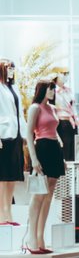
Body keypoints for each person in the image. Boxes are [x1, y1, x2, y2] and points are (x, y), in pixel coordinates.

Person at [23, 79, 66, 254]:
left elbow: (55, 130)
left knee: (49, 194)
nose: (52, 92)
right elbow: (28, 133)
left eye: (53, 89)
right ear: (42, 90)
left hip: (54, 148)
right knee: (39, 194)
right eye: (50, 89)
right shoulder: (35, 108)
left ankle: (41, 237)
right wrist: (33, 159)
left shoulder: (52, 108)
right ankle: (31, 238)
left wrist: (61, 154)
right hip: (42, 147)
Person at [0, 58, 22, 229]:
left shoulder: (13, 88)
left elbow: (19, 113)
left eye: (13, 68)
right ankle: (3, 212)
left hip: (15, 134)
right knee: (3, 175)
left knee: (13, 174)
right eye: (8, 68)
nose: (11, 71)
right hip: (3, 134)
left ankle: (9, 211)